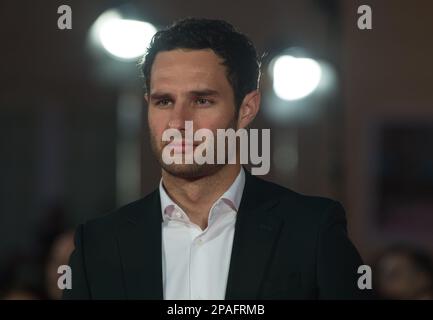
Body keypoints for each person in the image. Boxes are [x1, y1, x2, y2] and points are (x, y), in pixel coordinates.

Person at [64, 18, 369, 300]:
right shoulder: (97, 246)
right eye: (164, 101)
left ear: (246, 109)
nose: (178, 122)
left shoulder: (311, 232)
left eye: (202, 100)